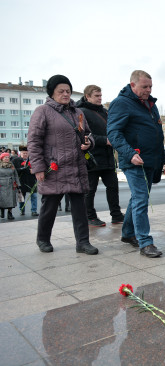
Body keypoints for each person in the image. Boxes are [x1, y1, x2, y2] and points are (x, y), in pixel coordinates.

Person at [27, 74, 98, 254]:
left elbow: (88, 134)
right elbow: (34, 142)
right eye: (61, 91)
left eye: (68, 91)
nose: (66, 94)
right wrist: (38, 168)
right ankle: (42, 239)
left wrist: (89, 142)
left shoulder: (78, 112)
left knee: (79, 208)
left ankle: (82, 242)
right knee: (49, 207)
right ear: (52, 93)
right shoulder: (42, 111)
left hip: (76, 167)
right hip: (53, 168)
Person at [107, 70, 164, 258]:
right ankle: (145, 242)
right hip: (133, 160)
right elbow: (114, 133)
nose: (148, 90)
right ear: (132, 85)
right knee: (141, 199)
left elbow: (156, 132)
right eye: (144, 87)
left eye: (150, 87)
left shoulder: (150, 104)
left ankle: (127, 233)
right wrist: (130, 153)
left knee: (139, 198)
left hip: (149, 159)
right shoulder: (121, 103)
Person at [76, 85, 125, 227]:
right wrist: (105, 140)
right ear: (87, 96)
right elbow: (82, 134)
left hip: (108, 157)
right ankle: (89, 216)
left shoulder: (105, 111)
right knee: (90, 189)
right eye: (96, 96)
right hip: (91, 157)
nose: (100, 98)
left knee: (113, 187)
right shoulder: (81, 112)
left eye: (100, 95)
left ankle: (116, 214)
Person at [12, 146, 39, 216]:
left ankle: (34, 211)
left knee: (34, 196)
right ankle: (21, 209)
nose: (25, 155)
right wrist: (22, 169)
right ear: (20, 153)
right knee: (21, 197)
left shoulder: (33, 160)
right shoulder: (15, 160)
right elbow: (13, 171)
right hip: (21, 181)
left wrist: (35, 171)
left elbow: (38, 168)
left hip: (31, 181)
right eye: (23, 153)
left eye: (27, 153)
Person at [0, 152, 20, 220]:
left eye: (8, 157)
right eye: (5, 157)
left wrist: (18, 184)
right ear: (2, 158)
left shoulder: (11, 165)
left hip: (11, 184)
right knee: (2, 200)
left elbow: (15, 175)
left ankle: (10, 213)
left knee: (11, 200)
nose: (7, 159)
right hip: (1, 185)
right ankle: (2, 210)